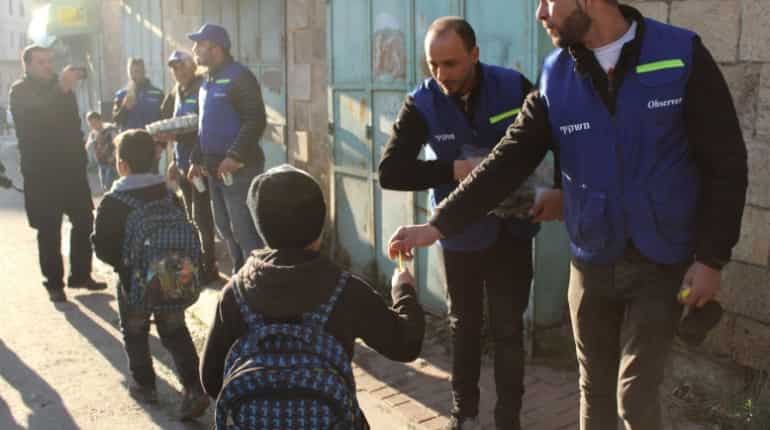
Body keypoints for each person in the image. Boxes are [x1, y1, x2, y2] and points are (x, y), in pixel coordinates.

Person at [388, 2, 748, 429]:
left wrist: (711, 258)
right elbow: (506, 162)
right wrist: (437, 225)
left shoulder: (680, 53)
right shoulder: (555, 75)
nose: (541, 12)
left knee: (634, 396)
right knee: (593, 394)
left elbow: (725, 162)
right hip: (592, 259)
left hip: (662, 258)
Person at [379, 17, 561, 430]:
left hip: (512, 232)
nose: (442, 75)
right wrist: (456, 168)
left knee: (508, 329)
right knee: (465, 327)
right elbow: (391, 172)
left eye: (452, 63)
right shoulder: (421, 102)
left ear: (475, 55)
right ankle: (464, 414)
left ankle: (508, 419)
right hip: (457, 234)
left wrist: (556, 187)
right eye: (433, 65)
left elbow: (553, 140)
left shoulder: (514, 86)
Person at [199, 164, 425, 427]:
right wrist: (403, 289)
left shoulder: (235, 293)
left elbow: (211, 378)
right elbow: (406, 344)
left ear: (260, 225)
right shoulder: (345, 290)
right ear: (319, 226)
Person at [92, 129, 209, 420]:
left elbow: (104, 247)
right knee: (174, 329)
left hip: (133, 281)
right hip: (172, 278)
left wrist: (124, 265)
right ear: (155, 158)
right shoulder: (170, 194)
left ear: (122, 166)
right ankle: (194, 388)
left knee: (134, 331)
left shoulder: (113, 201)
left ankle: (145, 385)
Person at [9, 45, 107, 303]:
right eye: (41, 62)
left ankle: (81, 275)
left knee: (85, 220)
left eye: (49, 61)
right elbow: (36, 121)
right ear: (27, 65)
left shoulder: (61, 88)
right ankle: (54, 283)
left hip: (71, 171)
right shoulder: (20, 91)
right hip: (41, 174)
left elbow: (72, 125)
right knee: (48, 228)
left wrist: (81, 156)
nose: (48, 66)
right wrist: (60, 89)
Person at [187, 23, 268, 272]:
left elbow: (256, 119)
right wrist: (195, 160)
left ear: (217, 48)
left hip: (239, 169)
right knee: (224, 228)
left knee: (244, 230)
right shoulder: (206, 81)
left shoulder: (239, 76)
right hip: (214, 170)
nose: (195, 49)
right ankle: (239, 278)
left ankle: (257, 284)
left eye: (200, 44)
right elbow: (204, 126)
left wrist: (235, 155)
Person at [157, 50, 220, 284]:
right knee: (190, 214)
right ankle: (198, 261)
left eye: (181, 66)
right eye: (173, 68)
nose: (177, 71)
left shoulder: (201, 87)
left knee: (202, 214)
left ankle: (209, 265)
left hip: (200, 164)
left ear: (192, 66)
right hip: (184, 164)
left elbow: (206, 127)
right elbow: (176, 126)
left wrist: (195, 160)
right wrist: (174, 161)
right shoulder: (177, 92)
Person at [112, 58, 163, 132]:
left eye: (136, 72)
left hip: (151, 140)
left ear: (144, 72)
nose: (133, 76)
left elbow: (164, 120)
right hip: (129, 140)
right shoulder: (121, 95)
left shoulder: (158, 94)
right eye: (130, 72)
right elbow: (116, 121)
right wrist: (124, 108)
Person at [85, 111, 119, 192]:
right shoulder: (93, 133)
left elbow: (118, 144)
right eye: (91, 124)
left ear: (100, 120)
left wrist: (113, 156)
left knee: (109, 187)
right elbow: (88, 146)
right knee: (104, 186)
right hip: (101, 163)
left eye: (94, 123)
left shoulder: (110, 129)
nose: (93, 126)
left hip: (111, 163)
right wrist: (92, 142)